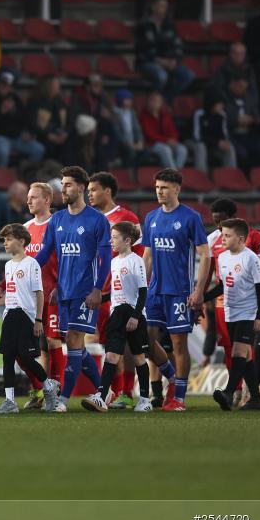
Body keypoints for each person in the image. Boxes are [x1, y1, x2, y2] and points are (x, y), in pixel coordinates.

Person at [34, 166, 111, 413]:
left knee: (74, 341)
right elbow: (46, 253)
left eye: (67, 184)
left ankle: (64, 400)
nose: (63, 189)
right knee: (73, 343)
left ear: (80, 187)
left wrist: (98, 289)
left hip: (85, 292)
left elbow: (105, 258)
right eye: (62, 184)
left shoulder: (97, 220)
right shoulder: (57, 219)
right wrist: (22, 269)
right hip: (64, 292)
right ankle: (103, 391)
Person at [141, 168, 208, 411]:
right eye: (157, 187)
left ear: (177, 189)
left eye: (165, 187)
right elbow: (147, 256)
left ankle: (178, 398)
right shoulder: (151, 218)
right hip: (155, 291)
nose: (160, 191)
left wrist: (198, 291)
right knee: (145, 340)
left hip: (179, 290)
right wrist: (142, 289)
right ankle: (173, 377)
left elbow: (205, 255)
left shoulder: (191, 217)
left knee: (179, 344)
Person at [87, 171, 144, 409]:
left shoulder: (126, 216)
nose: (89, 194)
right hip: (97, 291)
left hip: (120, 293)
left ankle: (127, 391)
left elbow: (139, 254)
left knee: (128, 345)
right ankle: (117, 390)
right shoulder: (88, 218)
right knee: (108, 343)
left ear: (107, 190)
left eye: (93, 190)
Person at [86, 221, 154, 413]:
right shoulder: (113, 262)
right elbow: (116, 292)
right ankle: (100, 396)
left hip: (133, 313)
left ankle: (144, 399)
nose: (111, 241)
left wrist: (135, 316)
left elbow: (142, 291)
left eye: (115, 237)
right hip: (116, 312)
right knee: (111, 355)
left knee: (139, 357)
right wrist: (98, 299)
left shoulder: (136, 260)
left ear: (127, 240)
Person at [204, 198, 260, 407]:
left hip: (250, 309)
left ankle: (229, 392)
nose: (221, 233)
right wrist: (201, 299)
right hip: (229, 309)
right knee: (244, 354)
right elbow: (221, 285)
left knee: (240, 350)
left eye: (226, 232)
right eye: (218, 226)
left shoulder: (252, 253)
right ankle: (256, 398)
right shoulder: (221, 254)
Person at [0, 223, 58, 414]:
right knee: (7, 358)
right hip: (10, 314)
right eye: (4, 240)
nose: (5, 243)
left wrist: (38, 320)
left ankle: (48, 384)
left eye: (8, 239)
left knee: (27, 358)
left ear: (21, 241)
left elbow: (39, 293)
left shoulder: (32, 264)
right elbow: (10, 294)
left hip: (25, 315)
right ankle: (10, 401)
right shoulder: (9, 265)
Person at [22, 182, 64, 409]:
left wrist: (62, 286)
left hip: (53, 294)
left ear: (47, 200)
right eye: (28, 197)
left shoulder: (57, 225)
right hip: (29, 297)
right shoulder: (25, 227)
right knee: (35, 347)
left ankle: (55, 392)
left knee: (52, 340)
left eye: (34, 197)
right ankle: (40, 390)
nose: (29, 201)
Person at [135, 0, 195, 102]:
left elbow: (177, 45)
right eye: (161, 6)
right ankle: (153, 102)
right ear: (153, 7)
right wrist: (162, 62)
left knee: (188, 75)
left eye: (165, 6)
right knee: (162, 76)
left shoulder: (169, 25)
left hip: (169, 61)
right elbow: (144, 50)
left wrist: (175, 60)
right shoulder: (144, 25)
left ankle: (164, 99)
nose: (164, 9)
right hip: (148, 61)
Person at [139, 92, 187, 170]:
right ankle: (173, 175)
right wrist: (166, 140)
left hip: (166, 142)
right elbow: (149, 134)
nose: (155, 103)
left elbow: (173, 130)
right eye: (153, 100)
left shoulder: (165, 115)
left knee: (182, 149)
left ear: (161, 103)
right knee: (165, 149)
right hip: (151, 144)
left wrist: (173, 140)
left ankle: (177, 173)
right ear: (148, 102)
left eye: (158, 101)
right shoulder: (143, 116)